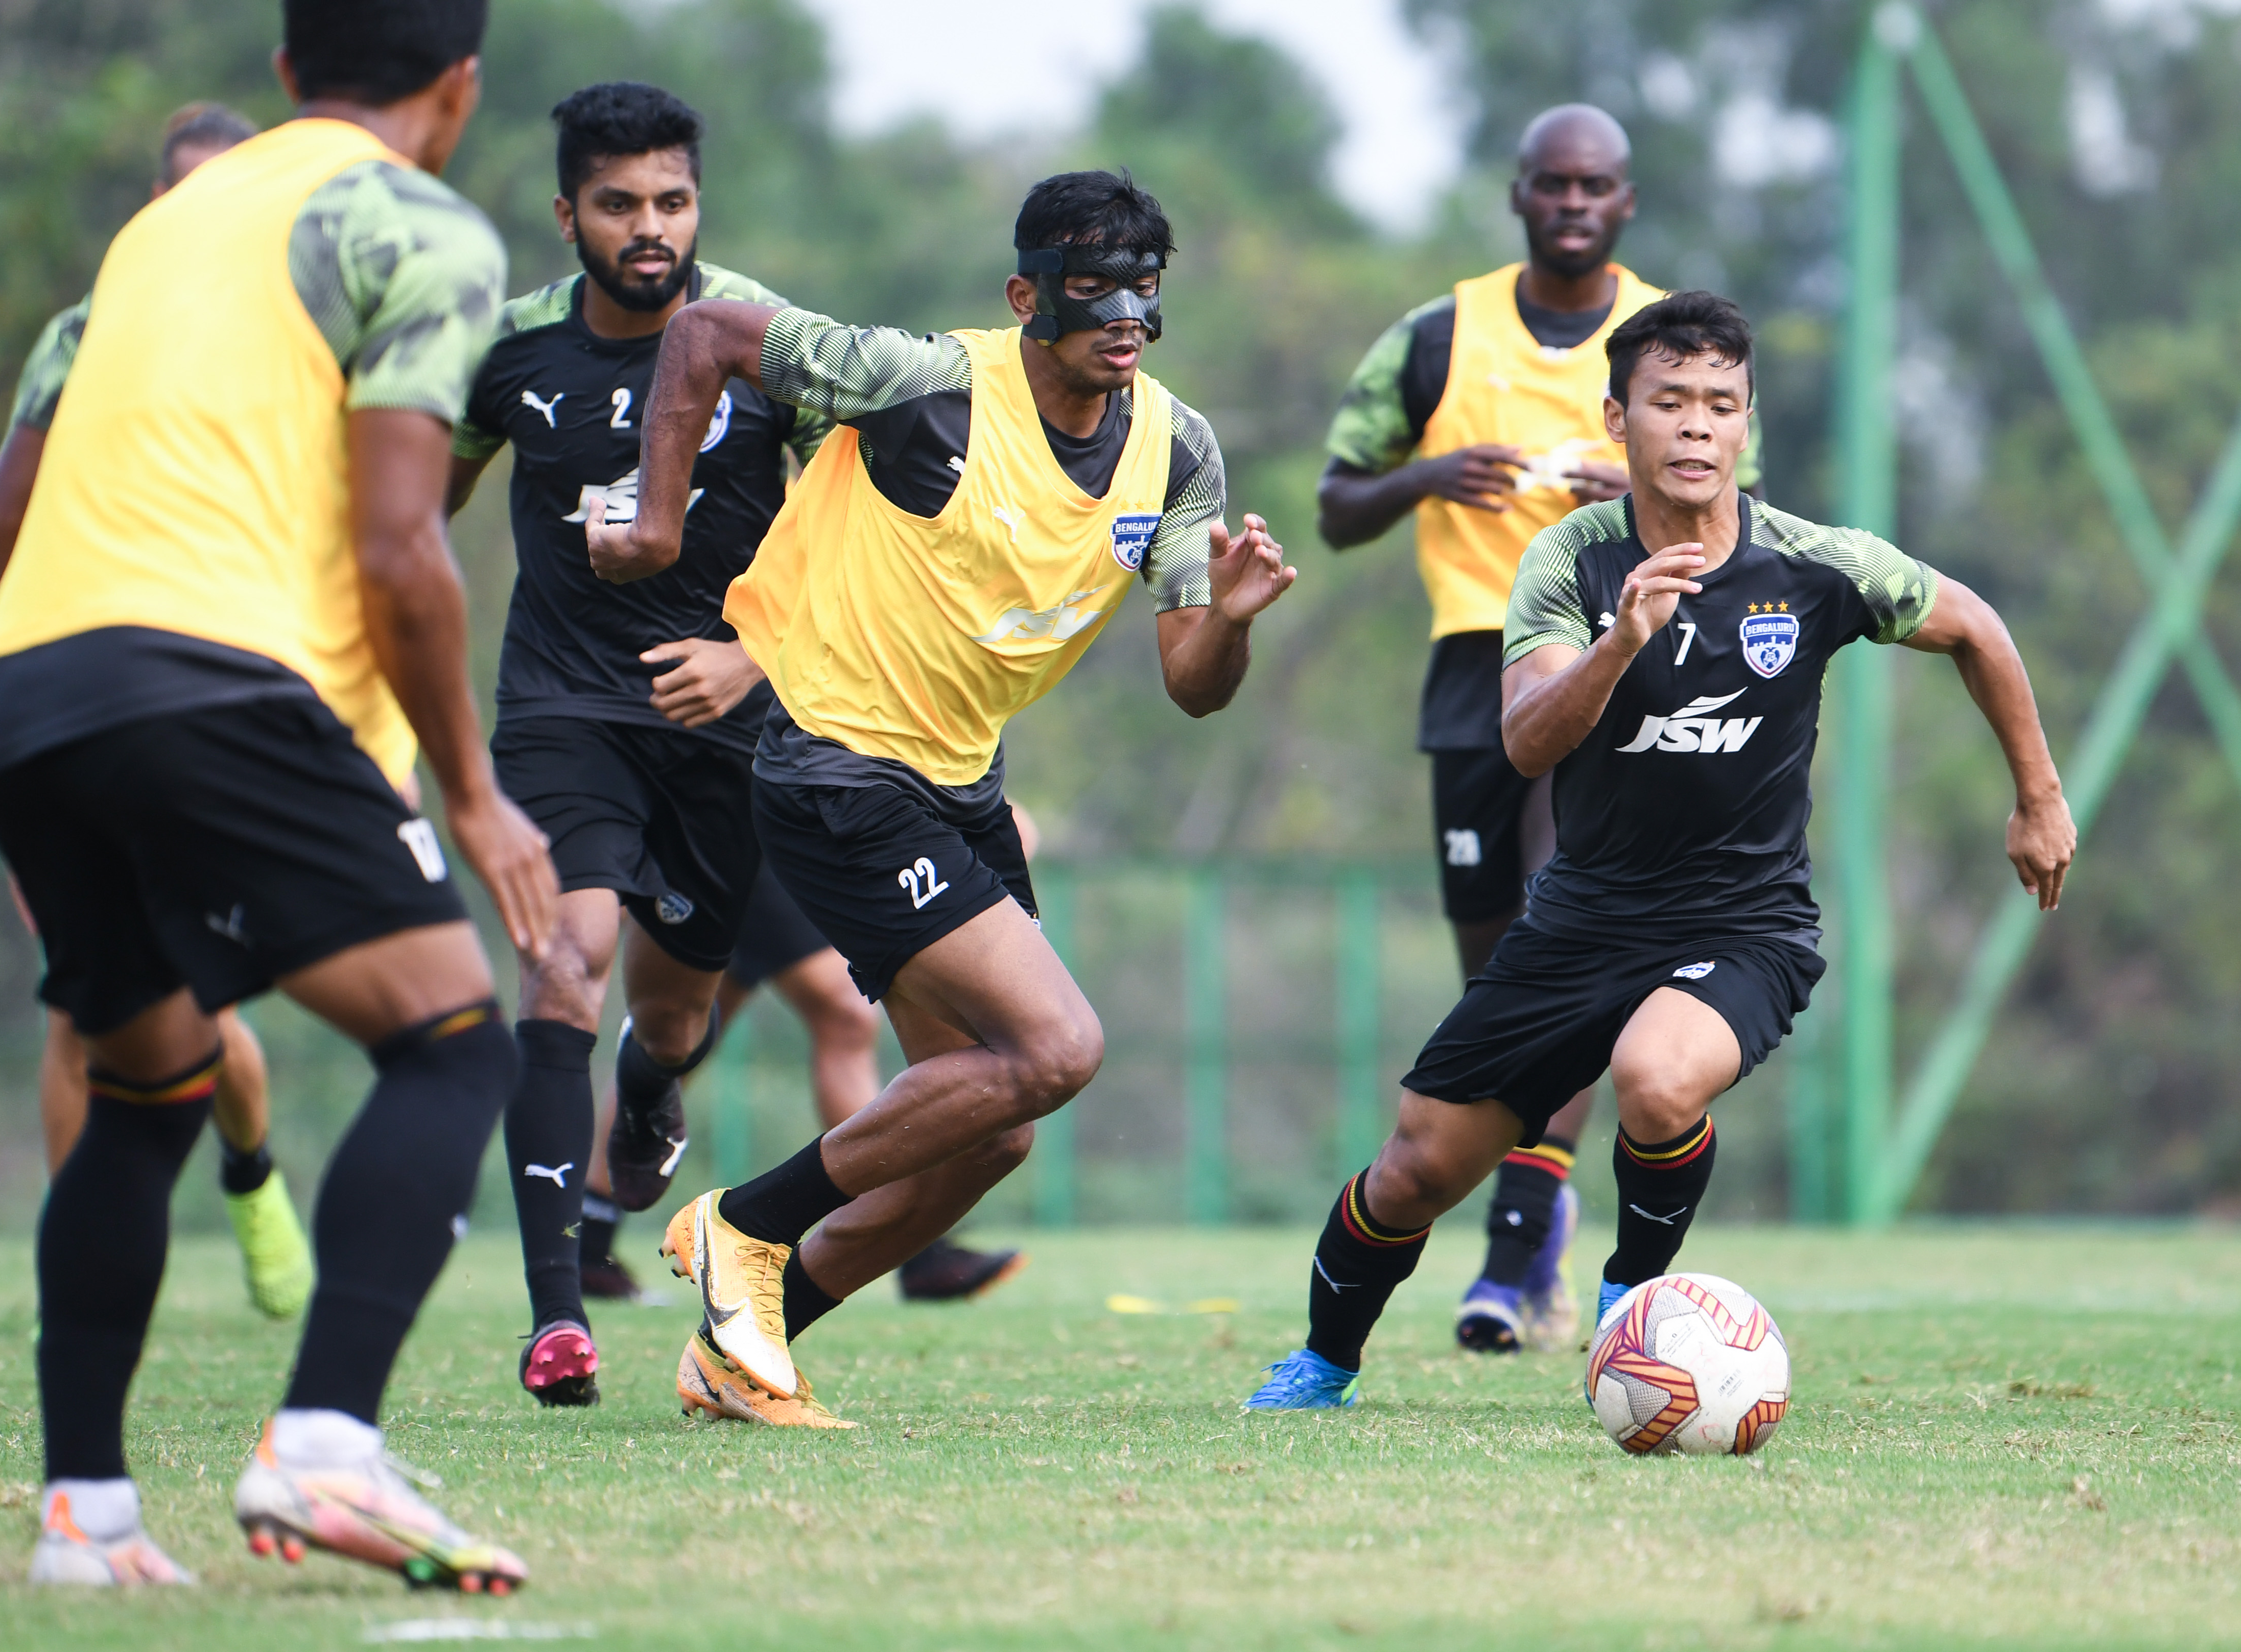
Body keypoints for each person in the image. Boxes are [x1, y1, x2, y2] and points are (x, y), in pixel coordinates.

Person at [1245, 291, 2075, 1410]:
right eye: (1668, 401)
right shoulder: (1568, 564)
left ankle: (1632, 1308)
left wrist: (2038, 797)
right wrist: (1618, 643)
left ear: (1744, 428)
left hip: (1745, 925)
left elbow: (1971, 624)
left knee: (1655, 1075)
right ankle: (1321, 1364)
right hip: (1580, 920)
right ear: (1615, 419)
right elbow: (1527, 738)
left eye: (1718, 405)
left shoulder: (1810, 563)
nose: (1694, 427)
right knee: (1418, 1166)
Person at [0, 0, 557, 1588]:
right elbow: (399, 543)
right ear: (461, 88)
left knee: (149, 1087)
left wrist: (23, 748)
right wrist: (473, 791)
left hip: (27, 688)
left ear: (289, 73)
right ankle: (325, 1449)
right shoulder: (414, 224)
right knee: (453, 1042)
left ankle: (87, 1521)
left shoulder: (148, 246)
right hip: (216, 679)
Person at [585, 168, 1294, 1427]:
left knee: (993, 1131)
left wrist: (1228, 620)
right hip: (836, 763)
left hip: (962, 778)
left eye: (1145, 290)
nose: (1124, 313)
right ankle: (742, 1225)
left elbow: (1194, 685)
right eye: (1092, 289)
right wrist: (652, 519)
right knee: (1060, 1049)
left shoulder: (1179, 449)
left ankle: (749, 1345)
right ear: (1027, 297)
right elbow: (703, 334)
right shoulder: (925, 385)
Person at [1317, 105, 1755, 1356]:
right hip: (1478, 670)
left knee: (1581, 959)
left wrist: (1639, 487)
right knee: (1501, 978)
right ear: (1519, 196)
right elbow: (1337, 500)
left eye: (1597, 185)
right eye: (1553, 184)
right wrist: (1425, 477)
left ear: (1626, 201)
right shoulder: (1439, 335)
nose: (1574, 202)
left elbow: (1754, 508)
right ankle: (1526, 1245)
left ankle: (1518, 1270)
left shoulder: (1673, 342)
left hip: (1635, 670)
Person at [444, 80, 837, 1409]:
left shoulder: (769, 339)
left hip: (723, 726)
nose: (647, 226)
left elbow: (864, 523)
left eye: (670, 201)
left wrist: (756, 655)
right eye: (618, 204)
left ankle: (652, 1086)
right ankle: (558, 1318)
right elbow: (411, 516)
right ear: (569, 216)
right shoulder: (505, 356)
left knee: (669, 1014)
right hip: (560, 709)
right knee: (567, 959)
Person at [0, 102, 316, 1324]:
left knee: (200, 1004)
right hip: (66, 693)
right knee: (83, 1000)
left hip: (223, 697)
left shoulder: (302, 335)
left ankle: (251, 1168)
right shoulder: (87, 333)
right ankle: (87, 1273)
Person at [577, 837, 1028, 1307]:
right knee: (840, 1014)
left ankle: (591, 1238)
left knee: (678, 1037)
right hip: (738, 830)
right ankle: (906, 1240)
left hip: (760, 839)